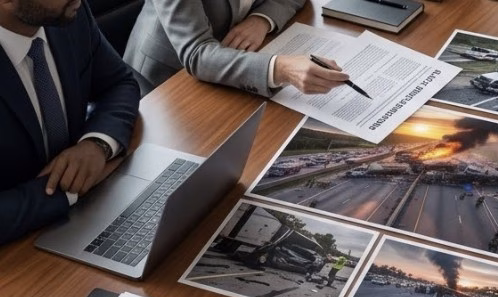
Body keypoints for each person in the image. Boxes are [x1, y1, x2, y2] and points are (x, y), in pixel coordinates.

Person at [1, 0, 140, 244]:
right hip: (20, 250)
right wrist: (69, 188)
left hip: (91, 215)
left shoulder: (70, 15)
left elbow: (119, 83)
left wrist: (97, 144)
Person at [124, 0, 349, 96]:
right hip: (168, 82)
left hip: (238, 58)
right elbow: (197, 53)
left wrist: (262, 19)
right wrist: (281, 68)